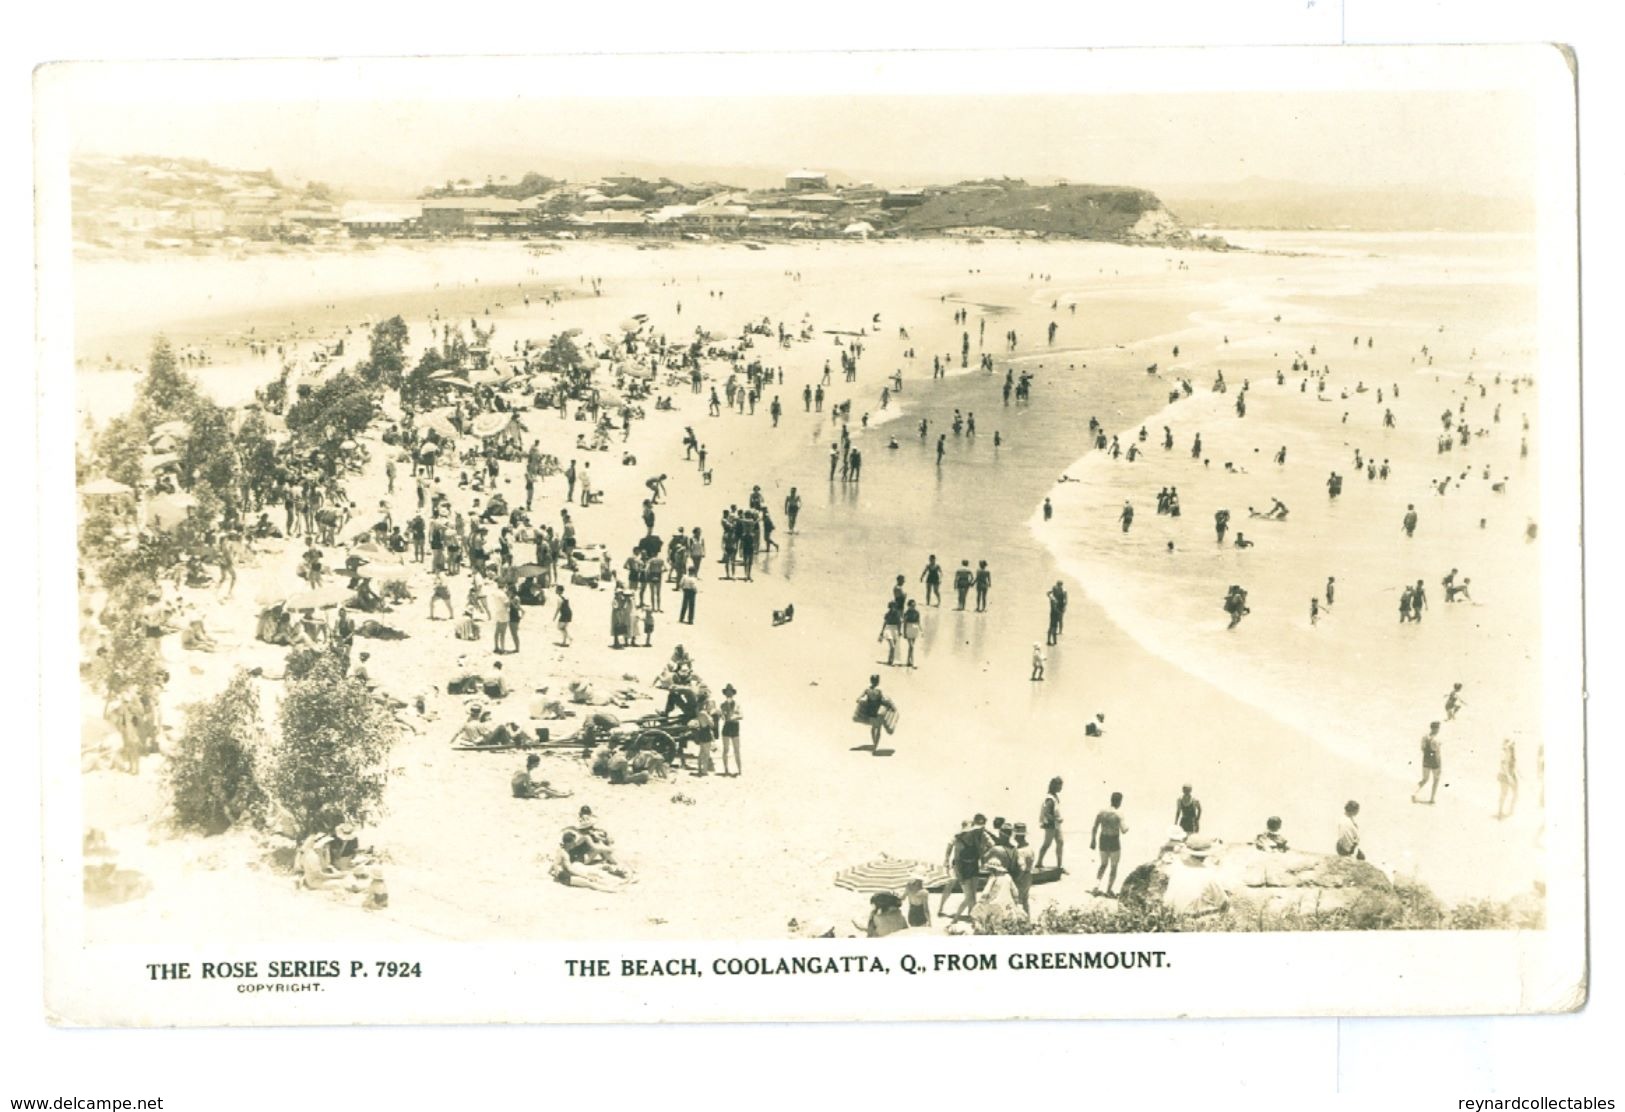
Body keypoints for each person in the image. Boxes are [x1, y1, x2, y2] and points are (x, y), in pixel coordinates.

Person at [939, 814, 992, 921]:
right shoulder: (958, 837)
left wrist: (985, 858)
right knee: (956, 889)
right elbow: (950, 848)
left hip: (972, 865)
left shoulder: (979, 835)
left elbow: (989, 846)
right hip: (960, 866)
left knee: (972, 892)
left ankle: (971, 914)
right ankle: (944, 910)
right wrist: (946, 860)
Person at [1090, 792, 1129, 897]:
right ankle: (1109, 889)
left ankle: (1096, 887)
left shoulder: (1102, 812)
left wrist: (1093, 840)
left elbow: (1094, 827)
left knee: (1103, 865)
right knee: (1114, 866)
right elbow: (1124, 830)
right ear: (1119, 801)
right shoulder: (1118, 814)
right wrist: (1127, 827)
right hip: (1113, 841)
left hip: (1103, 839)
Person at [856, 674, 896, 752]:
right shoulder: (879, 690)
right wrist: (892, 706)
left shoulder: (867, 690)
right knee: (878, 728)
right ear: (878, 681)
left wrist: (862, 701)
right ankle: (876, 745)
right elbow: (885, 699)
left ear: (871, 681)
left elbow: (859, 698)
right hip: (878, 711)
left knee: (873, 728)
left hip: (870, 711)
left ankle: (874, 742)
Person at [1036, 777, 1064, 870]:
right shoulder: (1050, 799)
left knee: (1060, 842)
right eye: (1060, 786)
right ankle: (1039, 862)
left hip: (1055, 825)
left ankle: (1059, 866)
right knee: (1047, 844)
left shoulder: (1054, 797)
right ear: (1055, 786)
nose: (1061, 788)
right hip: (1051, 824)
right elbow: (1046, 813)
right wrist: (1056, 820)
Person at [1413, 722, 1443, 804]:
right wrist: (1440, 765)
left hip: (1426, 758)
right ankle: (1432, 799)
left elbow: (1422, 748)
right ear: (1436, 729)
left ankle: (1414, 792)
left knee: (1424, 779)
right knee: (1436, 779)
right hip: (1434, 760)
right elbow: (1438, 753)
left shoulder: (1424, 737)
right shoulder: (1437, 739)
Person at [718, 683, 743, 777]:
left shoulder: (737, 705)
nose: (729, 694)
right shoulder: (723, 705)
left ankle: (739, 769)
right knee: (726, 749)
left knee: (737, 749)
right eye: (727, 693)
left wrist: (734, 716)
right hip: (727, 726)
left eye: (730, 693)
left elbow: (741, 715)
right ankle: (726, 769)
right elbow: (722, 717)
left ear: (733, 694)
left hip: (735, 726)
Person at [1497, 739, 1519, 819]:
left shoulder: (1512, 753)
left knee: (1515, 794)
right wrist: (1509, 777)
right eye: (1510, 745)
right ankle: (1500, 811)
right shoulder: (1504, 753)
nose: (1512, 746)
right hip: (1504, 776)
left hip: (1511, 775)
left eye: (1512, 745)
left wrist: (1516, 773)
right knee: (1504, 794)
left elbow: (1512, 765)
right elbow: (1504, 767)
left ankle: (1510, 811)